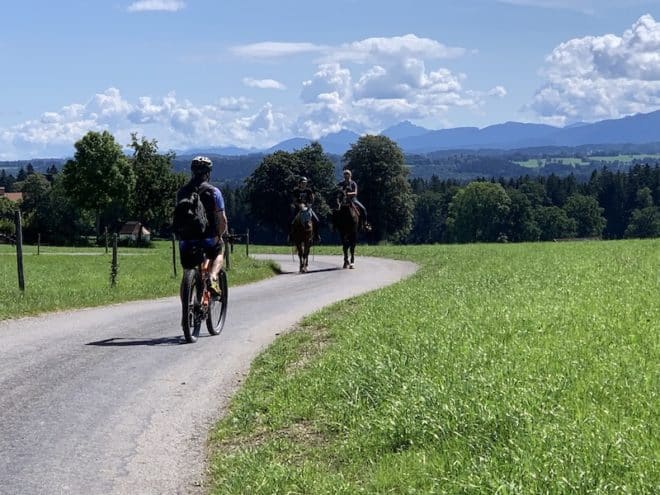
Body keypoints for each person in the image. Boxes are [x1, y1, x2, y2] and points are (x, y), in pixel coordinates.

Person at [176, 156, 227, 295]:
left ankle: (186, 312)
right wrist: (220, 235)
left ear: (192, 172)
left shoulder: (182, 192)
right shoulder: (214, 192)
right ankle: (213, 276)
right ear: (208, 173)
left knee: (187, 272)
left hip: (185, 239)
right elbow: (222, 219)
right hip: (208, 237)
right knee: (219, 251)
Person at [291, 176, 320, 243]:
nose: (304, 184)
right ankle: (291, 236)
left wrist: (309, 204)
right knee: (291, 222)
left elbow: (312, 199)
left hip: (308, 209)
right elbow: (294, 200)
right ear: (299, 183)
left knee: (317, 220)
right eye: (302, 183)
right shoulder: (296, 191)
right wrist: (299, 205)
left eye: (305, 183)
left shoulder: (309, 190)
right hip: (299, 209)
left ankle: (316, 235)